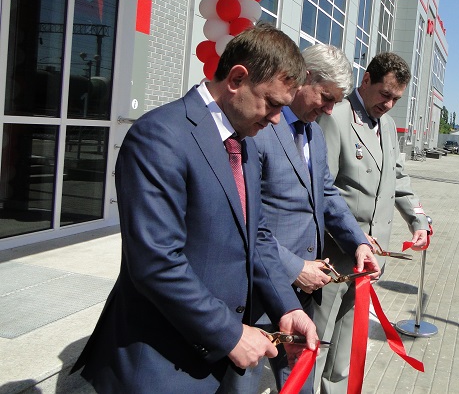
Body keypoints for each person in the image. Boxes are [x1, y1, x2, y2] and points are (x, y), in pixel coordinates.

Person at [72, 24, 319, 393]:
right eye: (272, 104)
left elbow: (257, 237)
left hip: (225, 363)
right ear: (237, 79)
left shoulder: (244, 141)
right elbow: (156, 261)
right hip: (162, 364)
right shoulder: (160, 136)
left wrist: (288, 307)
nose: (275, 119)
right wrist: (230, 333)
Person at [225, 43, 381, 393]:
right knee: (243, 384)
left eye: (336, 102)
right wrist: (294, 266)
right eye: (325, 97)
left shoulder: (315, 134)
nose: (329, 109)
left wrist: (358, 241)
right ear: (305, 78)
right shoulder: (258, 128)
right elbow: (244, 217)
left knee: (298, 380)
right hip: (258, 287)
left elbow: (327, 196)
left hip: (304, 292)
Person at [314, 52, 430, 394]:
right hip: (335, 253)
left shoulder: (388, 126)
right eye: (385, 94)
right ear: (366, 80)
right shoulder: (335, 117)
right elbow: (321, 188)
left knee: (346, 343)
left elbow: (397, 177)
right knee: (317, 340)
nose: (389, 105)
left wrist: (418, 219)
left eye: (396, 99)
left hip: (370, 259)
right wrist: (354, 236)